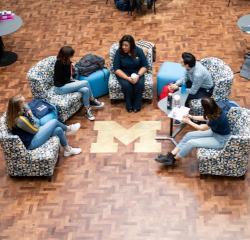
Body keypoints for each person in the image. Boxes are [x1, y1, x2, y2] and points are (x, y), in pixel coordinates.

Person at [155, 97, 231, 166]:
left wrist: (188, 121)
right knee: (189, 135)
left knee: (191, 143)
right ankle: (171, 155)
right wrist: (191, 116)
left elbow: (201, 128)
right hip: (215, 132)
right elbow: (206, 117)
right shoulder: (216, 109)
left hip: (220, 140)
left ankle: (174, 159)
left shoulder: (217, 119)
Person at [6, 95, 82, 157]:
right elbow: (35, 130)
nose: (25, 104)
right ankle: (69, 129)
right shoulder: (20, 120)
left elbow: (33, 126)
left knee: (58, 129)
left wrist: (28, 113)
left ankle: (67, 150)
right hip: (31, 142)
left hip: (33, 135)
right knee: (54, 122)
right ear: (17, 106)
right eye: (23, 102)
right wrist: (31, 115)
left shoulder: (15, 114)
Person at [54, 46, 104, 121]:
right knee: (86, 82)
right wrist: (72, 80)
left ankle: (87, 110)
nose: (72, 56)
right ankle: (92, 99)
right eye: (71, 55)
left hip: (67, 84)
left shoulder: (67, 61)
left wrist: (72, 72)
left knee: (85, 90)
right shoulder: (59, 64)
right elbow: (62, 80)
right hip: (60, 88)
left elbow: (69, 77)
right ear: (66, 55)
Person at [113, 35, 149, 112]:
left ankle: (137, 105)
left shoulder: (138, 51)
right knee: (127, 85)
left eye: (126, 45)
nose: (123, 47)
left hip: (137, 71)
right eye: (122, 45)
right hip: (123, 72)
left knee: (139, 84)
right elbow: (116, 69)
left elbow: (145, 66)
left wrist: (138, 76)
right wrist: (127, 78)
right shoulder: (119, 52)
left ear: (131, 45)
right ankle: (129, 105)